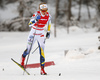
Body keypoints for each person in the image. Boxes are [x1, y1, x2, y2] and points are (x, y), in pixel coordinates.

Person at [20, 3, 51, 75]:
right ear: (39, 9)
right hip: (33, 33)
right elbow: (29, 24)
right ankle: (22, 59)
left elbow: (49, 23)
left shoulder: (48, 15)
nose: (44, 12)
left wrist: (48, 32)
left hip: (41, 34)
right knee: (28, 50)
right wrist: (35, 20)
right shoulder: (36, 15)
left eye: (46, 10)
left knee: (42, 52)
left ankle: (42, 69)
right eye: (43, 10)